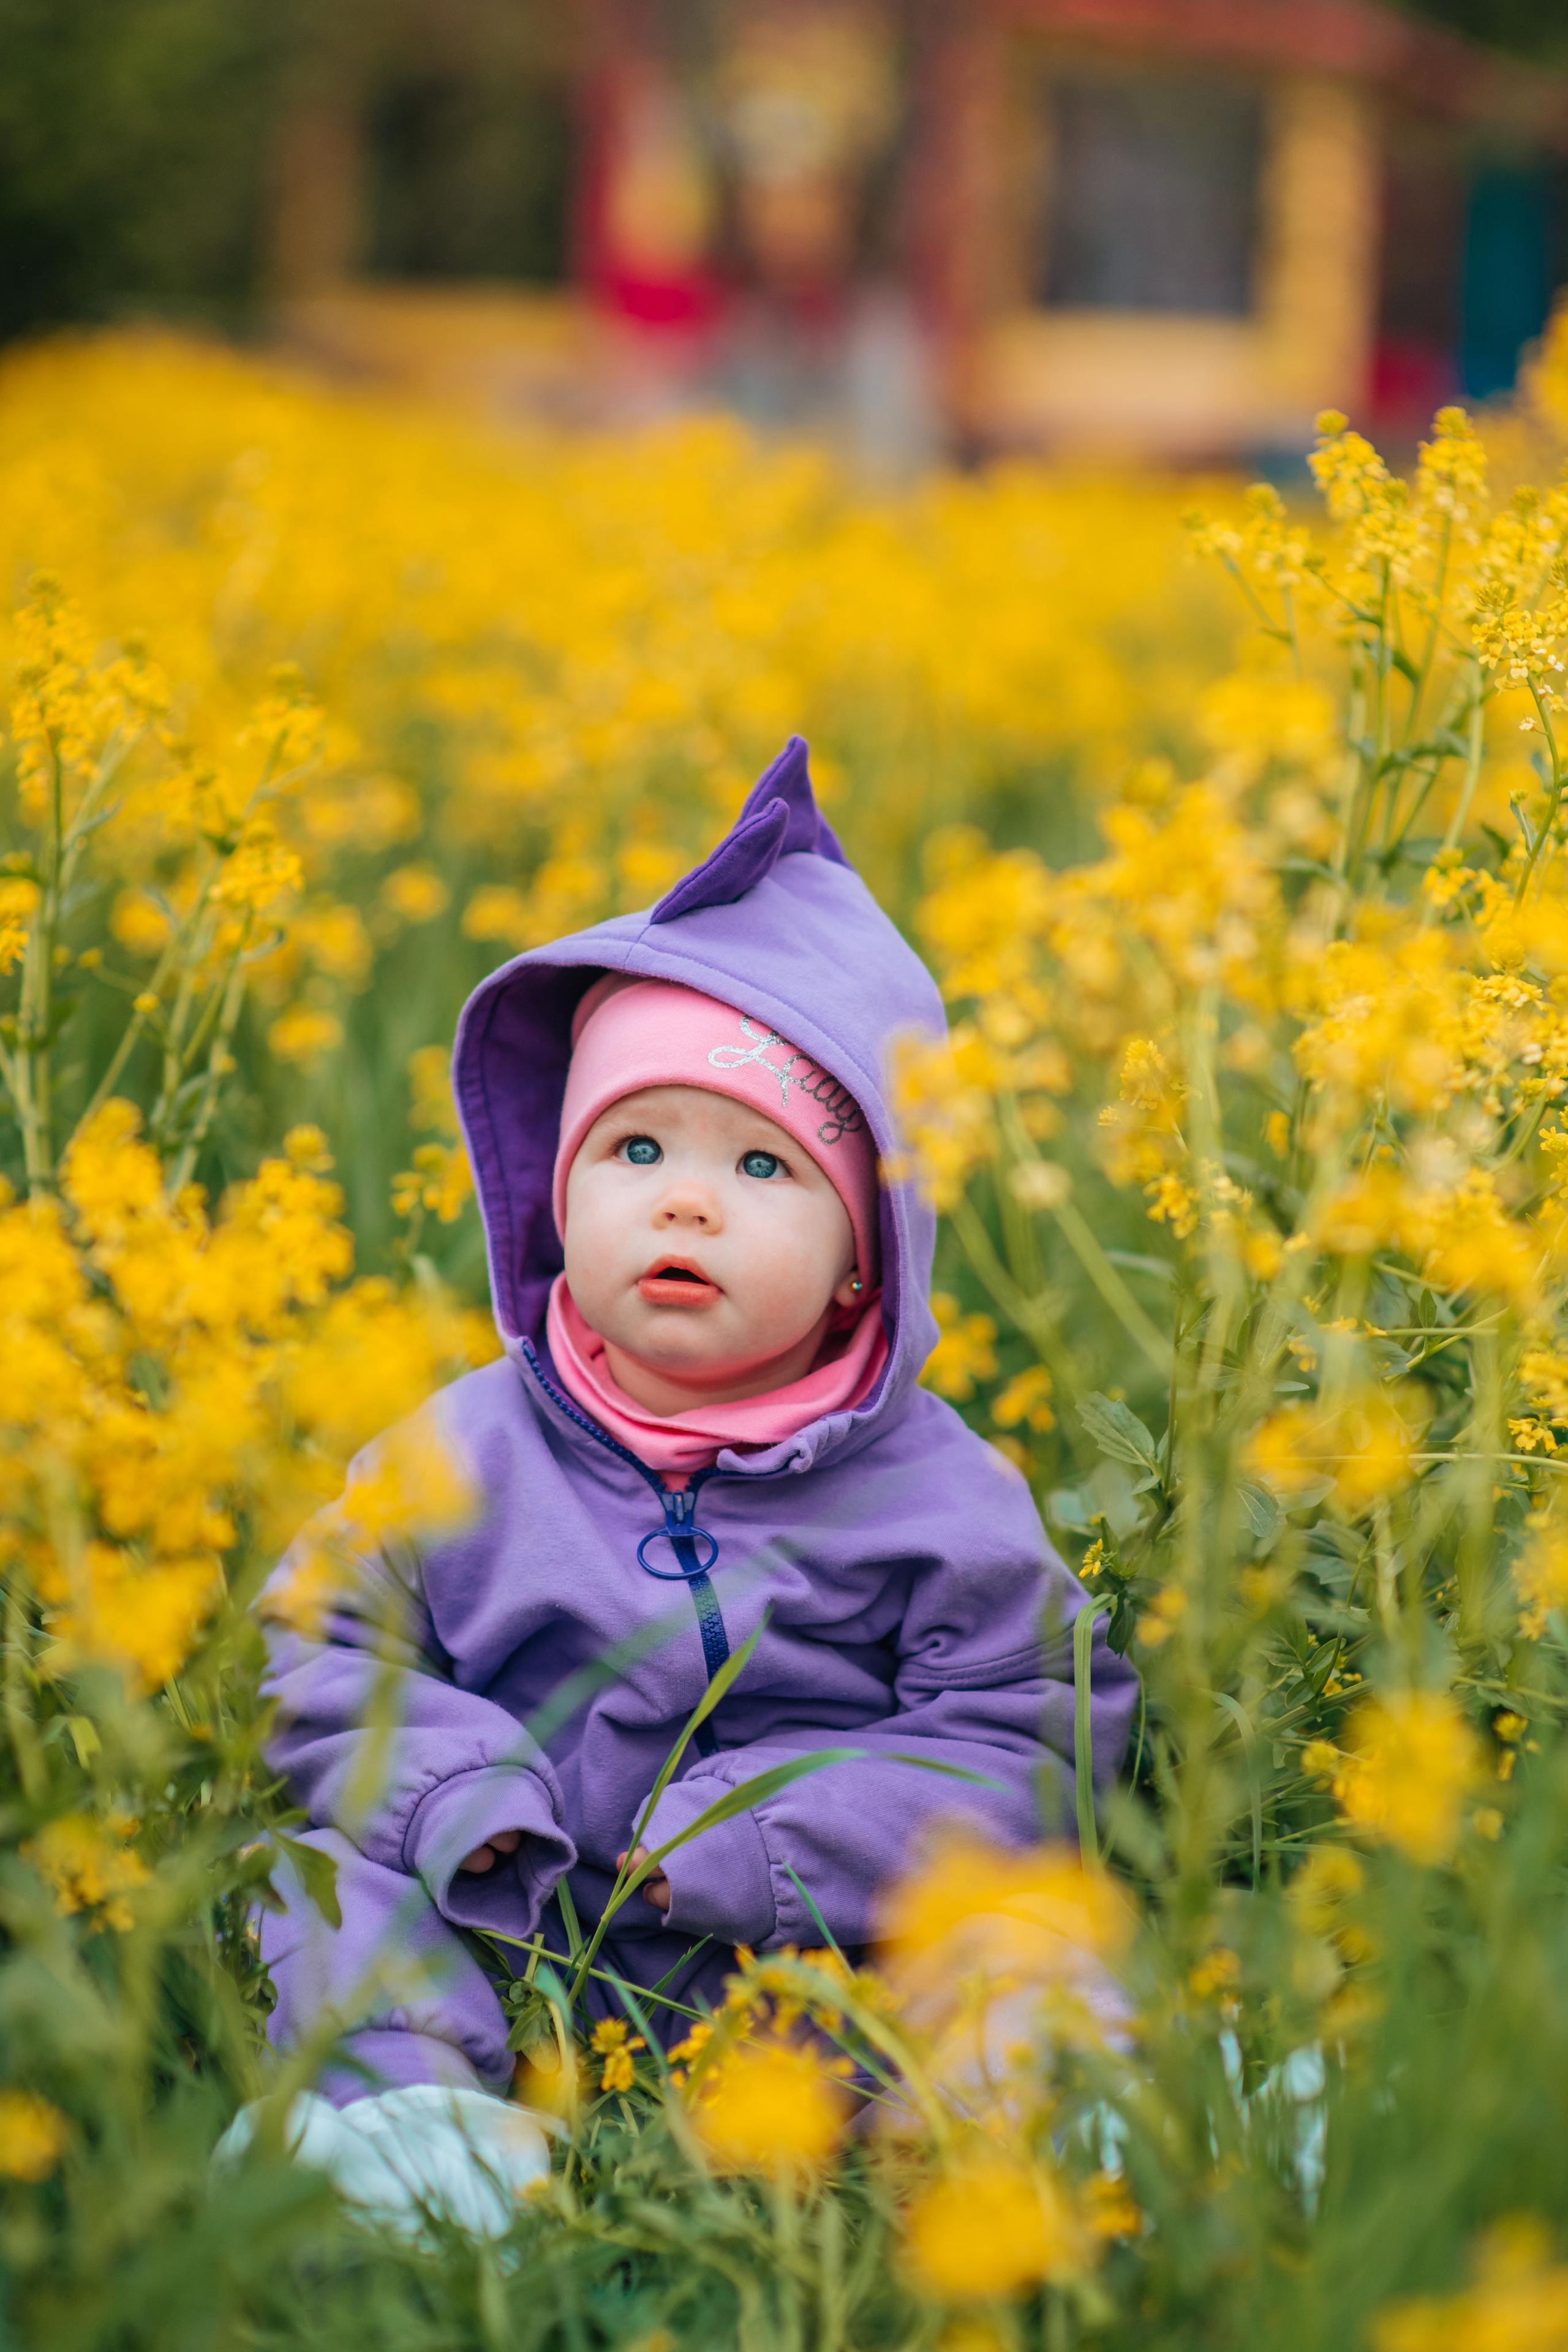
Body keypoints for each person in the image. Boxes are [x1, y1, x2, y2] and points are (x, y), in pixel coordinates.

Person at [254, 737, 1138, 2203]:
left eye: (761, 1168)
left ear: (867, 1264)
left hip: (813, 1967)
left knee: (1019, 1933)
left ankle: (1058, 2130)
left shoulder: (939, 1493)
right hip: (514, 1932)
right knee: (321, 1880)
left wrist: (763, 1838)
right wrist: (460, 1806)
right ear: (553, 1191)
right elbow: (319, 1655)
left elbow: (1030, 1739)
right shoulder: (459, 1451)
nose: (681, 1197)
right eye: (636, 1144)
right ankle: (410, 2143)